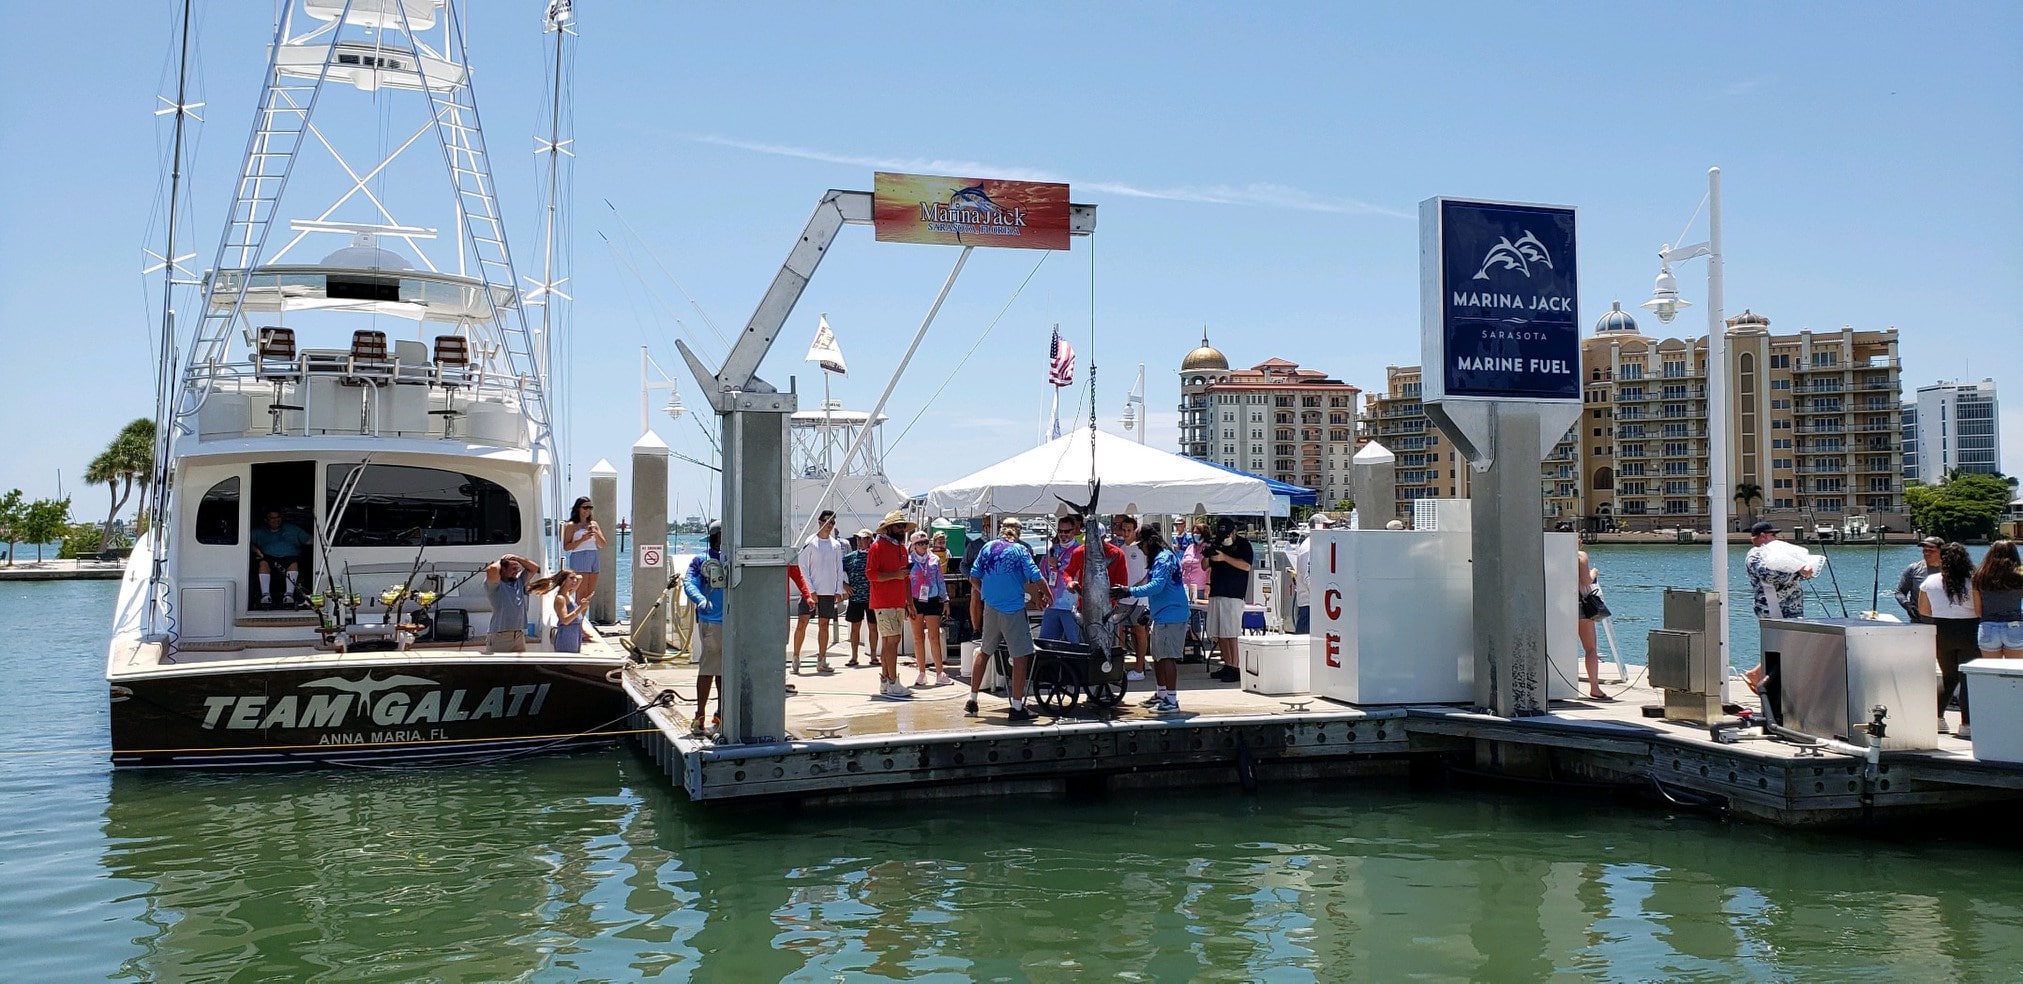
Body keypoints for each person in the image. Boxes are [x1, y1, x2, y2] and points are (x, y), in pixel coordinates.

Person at [964, 516, 1048, 722]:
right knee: (1020, 656)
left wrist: (985, 593)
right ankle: (1017, 706)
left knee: (985, 651)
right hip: (1013, 609)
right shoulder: (1020, 550)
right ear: (1018, 533)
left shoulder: (987, 548)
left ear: (1001, 530)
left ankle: (972, 699)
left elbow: (973, 576)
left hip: (991, 608)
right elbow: (1036, 576)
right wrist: (1048, 594)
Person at [1114, 522, 1189, 712]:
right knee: (1157, 656)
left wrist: (1129, 591)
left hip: (1172, 615)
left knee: (1167, 657)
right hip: (1161, 614)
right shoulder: (1159, 558)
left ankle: (1171, 700)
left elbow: (1157, 586)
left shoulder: (1164, 558)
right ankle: (1162, 694)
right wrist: (1149, 610)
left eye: (1141, 545)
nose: (1140, 548)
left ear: (1150, 542)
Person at [1741, 521, 1813, 695]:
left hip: (1790, 607)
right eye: (1773, 535)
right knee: (1783, 645)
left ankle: (1759, 675)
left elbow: (1793, 577)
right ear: (1763, 536)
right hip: (1773, 607)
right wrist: (1798, 570)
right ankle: (1761, 678)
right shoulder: (1755, 556)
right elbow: (1769, 575)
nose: (1776, 538)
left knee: (1788, 644)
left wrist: (1807, 569)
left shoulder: (1775, 553)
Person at [1919, 541, 1980, 739]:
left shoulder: (1930, 582)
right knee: (1967, 678)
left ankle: (1937, 718)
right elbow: (1979, 610)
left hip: (1942, 630)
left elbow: (1923, 610)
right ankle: (1967, 724)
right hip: (1969, 630)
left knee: (1948, 676)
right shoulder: (1973, 581)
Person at [682, 522, 728, 734]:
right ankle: (700, 715)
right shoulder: (700, 560)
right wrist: (700, 599)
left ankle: (721, 713)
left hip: (734, 622)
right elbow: (689, 583)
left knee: (726, 671)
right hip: (712, 621)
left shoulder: (733, 558)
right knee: (709, 668)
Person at [868, 510, 915, 700]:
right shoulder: (877, 547)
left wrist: (909, 602)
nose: (902, 529)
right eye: (899, 526)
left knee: (889, 641)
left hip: (896, 601)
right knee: (892, 640)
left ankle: (887, 680)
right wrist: (895, 575)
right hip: (883, 601)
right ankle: (892, 681)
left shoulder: (902, 549)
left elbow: (906, 578)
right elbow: (871, 574)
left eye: (903, 526)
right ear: (889, 528)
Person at [1203, 517, 1254, 683]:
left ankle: (1236, 666)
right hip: (1217, 591)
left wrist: (1225, 558)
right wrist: (1208, 553)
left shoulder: (1243, 544)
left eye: (1227, 533)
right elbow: (1204, 566)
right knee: (1219, 633)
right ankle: (1227, 664)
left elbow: (1246, 566)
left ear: (1233, 532)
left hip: (1233, 594)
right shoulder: (1216, 543)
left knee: (1232, 633)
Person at [796, 510, 846, 672]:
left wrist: (838, 590)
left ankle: (822, 659)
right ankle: (796, 657)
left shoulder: (836, 545)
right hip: (811, 592)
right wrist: (810, 590)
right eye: (826, 521)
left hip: (829, 591)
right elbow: (802, 568)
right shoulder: (810, 542)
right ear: (819, 521)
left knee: (824, 624)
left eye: (832, 522)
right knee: (802, 623)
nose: (829, 525)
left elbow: (839, 568)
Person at [907, 530, 952, 687]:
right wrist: (906, 603)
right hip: (915, 600)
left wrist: (945, 599)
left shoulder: (934, 559)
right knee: (918, 637)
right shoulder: (908, 560)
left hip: (932, 598)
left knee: (934, 636)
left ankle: (940, 672)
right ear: (913, 545)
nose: (923, 546)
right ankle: (921, 672)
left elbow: (940, 580)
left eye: (925, 542)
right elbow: (905, 582)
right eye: (920, 543)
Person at [1110, 515, 1151, 679]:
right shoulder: (1120, 550)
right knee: (1118, 632)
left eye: (1129, 530)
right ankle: (1119, 667)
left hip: (1138, 598)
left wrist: (1134, 589)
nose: (1126, 533)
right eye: (1124, 530)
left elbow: (1148, 574)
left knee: (1139, 632)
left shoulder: (1141, 549)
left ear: (1135, 530)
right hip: (1122, 598)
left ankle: (1139, 668)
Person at [250, 509, 312, 609]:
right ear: (266, 520)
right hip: (268, 558)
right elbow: (245, 541)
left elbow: (310, 540)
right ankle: (265, 596)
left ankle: (289, 596)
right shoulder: (258, 531)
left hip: (290, 558)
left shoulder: (293, 529)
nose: (276, 520)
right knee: (263, 565)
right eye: (272, 518)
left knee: (294, 565)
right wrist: (256, 550)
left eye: (278, 517)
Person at [1038, 515, 1086, 644]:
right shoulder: (1053, 549)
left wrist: (1057, 566)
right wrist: (1042, 593)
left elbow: (1077, 575)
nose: (1063, 535)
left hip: (1071, 606)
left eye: (1067, 531)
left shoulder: (1080, 550)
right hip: (1052, 604)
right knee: (1045, 644)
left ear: (1074, 530)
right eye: (1060, 531)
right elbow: (1043, 574)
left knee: (1075, 644)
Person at [1973, 540, 2023, 661]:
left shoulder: (1979, 576)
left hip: (1987, 628)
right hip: (2015, 627)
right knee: (2015, 674)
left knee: (1992, 673)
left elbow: (1978, 611)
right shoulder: (2020, 575)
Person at [483, 552, 539, 654]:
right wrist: (502, 559)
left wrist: (518, 558)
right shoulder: (495, 585)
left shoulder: (519, 581)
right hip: (500, 636)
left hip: (518, 635)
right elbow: (491, 569)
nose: (516, 571)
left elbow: (534, 568)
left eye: (517, 568)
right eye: (513, 568)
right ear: (503, 569)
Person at [1290, 512, 1334, 634]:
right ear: (1318, 527)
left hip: (1313, 603)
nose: (1328, 529)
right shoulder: (1309, 546)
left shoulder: (1315, 544)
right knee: (1305, 643)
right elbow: (1308, 576)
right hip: (1309, 604)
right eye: (1326, 526)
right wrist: (1321, 597)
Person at [1577, 549, 1612, 700]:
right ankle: (1594, 688)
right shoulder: (1579, 555)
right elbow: (1585, 581)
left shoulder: (1548, 551)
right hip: (1580, 605)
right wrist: (1594, 573)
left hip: (1558, 604)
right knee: (1590, 648)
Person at [560, 497, 606, 608]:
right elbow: (566, 547)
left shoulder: (593, 524)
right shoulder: (571, 525)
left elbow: (603, 544)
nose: (588, 510)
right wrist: (582, 539)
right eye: (585, 507)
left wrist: (595, 532)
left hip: (593, 555)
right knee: (581, 592)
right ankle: (578, 621)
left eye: (590, 508)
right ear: (578, 508)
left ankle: (581, 620)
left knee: (590, 593)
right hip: (580, 555)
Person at [842, 529, 876, 667]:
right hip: (855, 598)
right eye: (858, 539)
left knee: (873, 627)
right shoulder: (850, 557)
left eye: (863, 539)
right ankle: (854, 656)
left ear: (870, 540)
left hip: (872, 598)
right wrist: (844, 585)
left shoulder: (875, 556)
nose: (859, 541)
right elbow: (837, 571)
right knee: (855, 628)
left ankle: (873, 656)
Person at [1893, 536, 1944, 623]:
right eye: (1925, 550)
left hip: (1944, 622)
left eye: (1931, 550)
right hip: (1919, 621)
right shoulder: (1913, 569)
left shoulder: (1950, 569)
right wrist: (1907, 605)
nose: (1927, 553)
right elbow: (1899, 592)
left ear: (1941, 551)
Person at [551, 569, 586, 653]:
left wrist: (570, 576)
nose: (575, 580)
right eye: (571, 578)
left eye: (574, 578)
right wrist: (581, 608)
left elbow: (580, 578)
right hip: (566, 634)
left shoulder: (567, 594)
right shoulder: (560, 598)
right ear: (563, 581)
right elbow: (565, 620)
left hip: (575, 633)